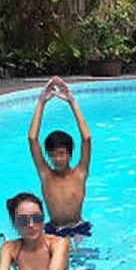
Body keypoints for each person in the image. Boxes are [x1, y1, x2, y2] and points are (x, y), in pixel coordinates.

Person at [28, 77, 92, 244]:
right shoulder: (46, 175)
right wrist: (41, 102)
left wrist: (72, 101)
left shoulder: (80, 173)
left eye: (61, 154)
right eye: (53, 154)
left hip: (79, 229)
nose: (57, 159)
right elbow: (32, 139)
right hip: (53, 231)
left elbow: (87, 138)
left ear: (70, 154)